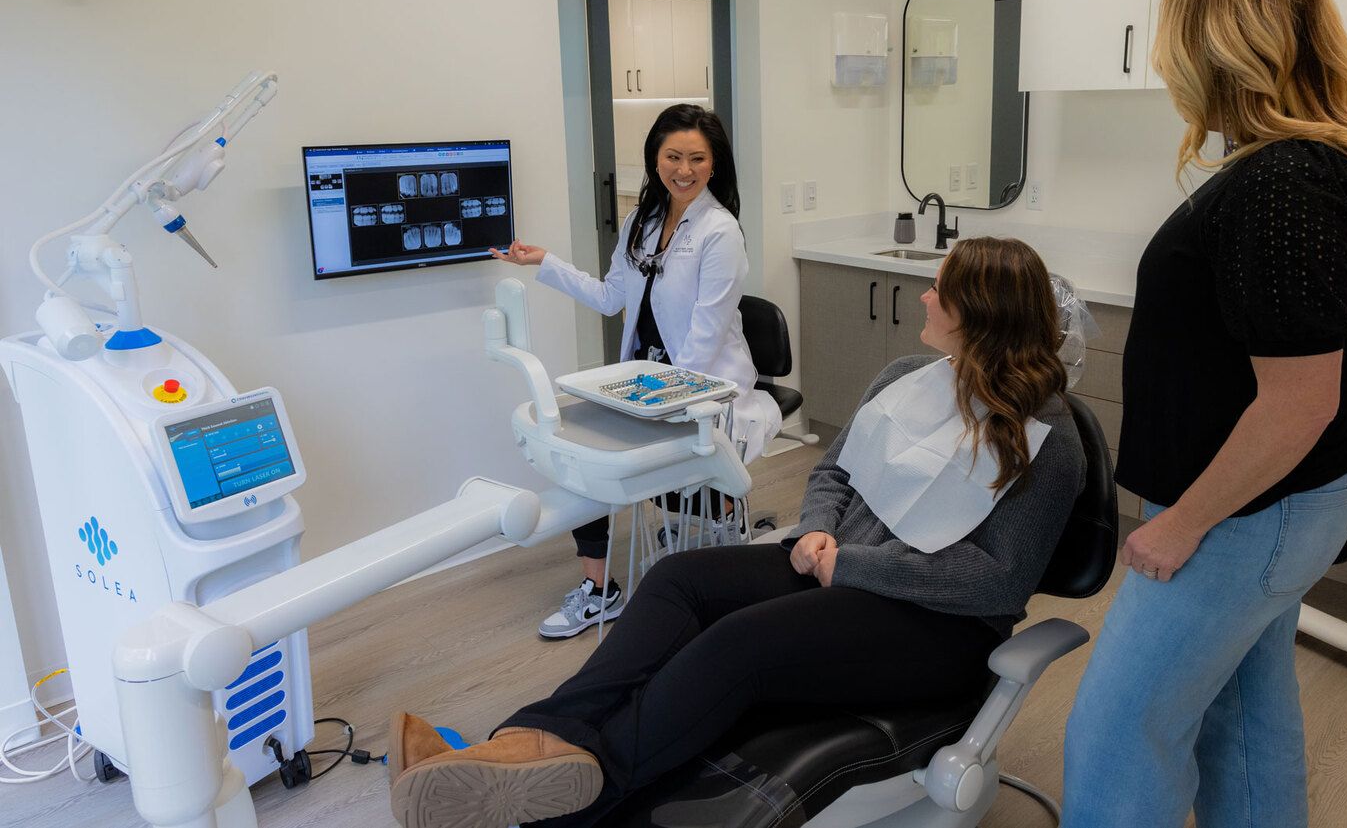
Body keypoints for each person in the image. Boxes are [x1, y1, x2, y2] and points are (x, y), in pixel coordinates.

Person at [386, 236, 1087, 828]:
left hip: (938, 625)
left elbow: (995, 579)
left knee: (740, 645)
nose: (926, 299)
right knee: (677, 581)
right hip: (836, 562)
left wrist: (851, 565)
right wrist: (816, 534)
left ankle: (573, 800)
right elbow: (834, 471)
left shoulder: (1047, 439)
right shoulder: (910, 375)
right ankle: (527, 741)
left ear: (981, 312)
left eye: (940, 290)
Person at [1061, 0, 1347, 828]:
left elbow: (1298, 403)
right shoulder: (1289, 169)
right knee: (1242, 716)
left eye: (1176, 44)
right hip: (1271, 506)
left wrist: (1182, 523)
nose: (1166, 66)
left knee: (1117, 729)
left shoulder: (1283, 183)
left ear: (1220, 49)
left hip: (1243, 514)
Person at [493, 103, 781, 639]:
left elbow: (705, 337)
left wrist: (653, 402)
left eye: (697, 158)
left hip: (699, 390)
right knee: (580, 450)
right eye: (673, 156)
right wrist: (546, 263)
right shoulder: (642, 222)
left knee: (606, 460)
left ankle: (714, 516)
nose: (684, 169)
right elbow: (610, 298)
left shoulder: (721, 232)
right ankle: (601, 591)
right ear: (655, 158)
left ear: (714, 164)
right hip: (646, 379)